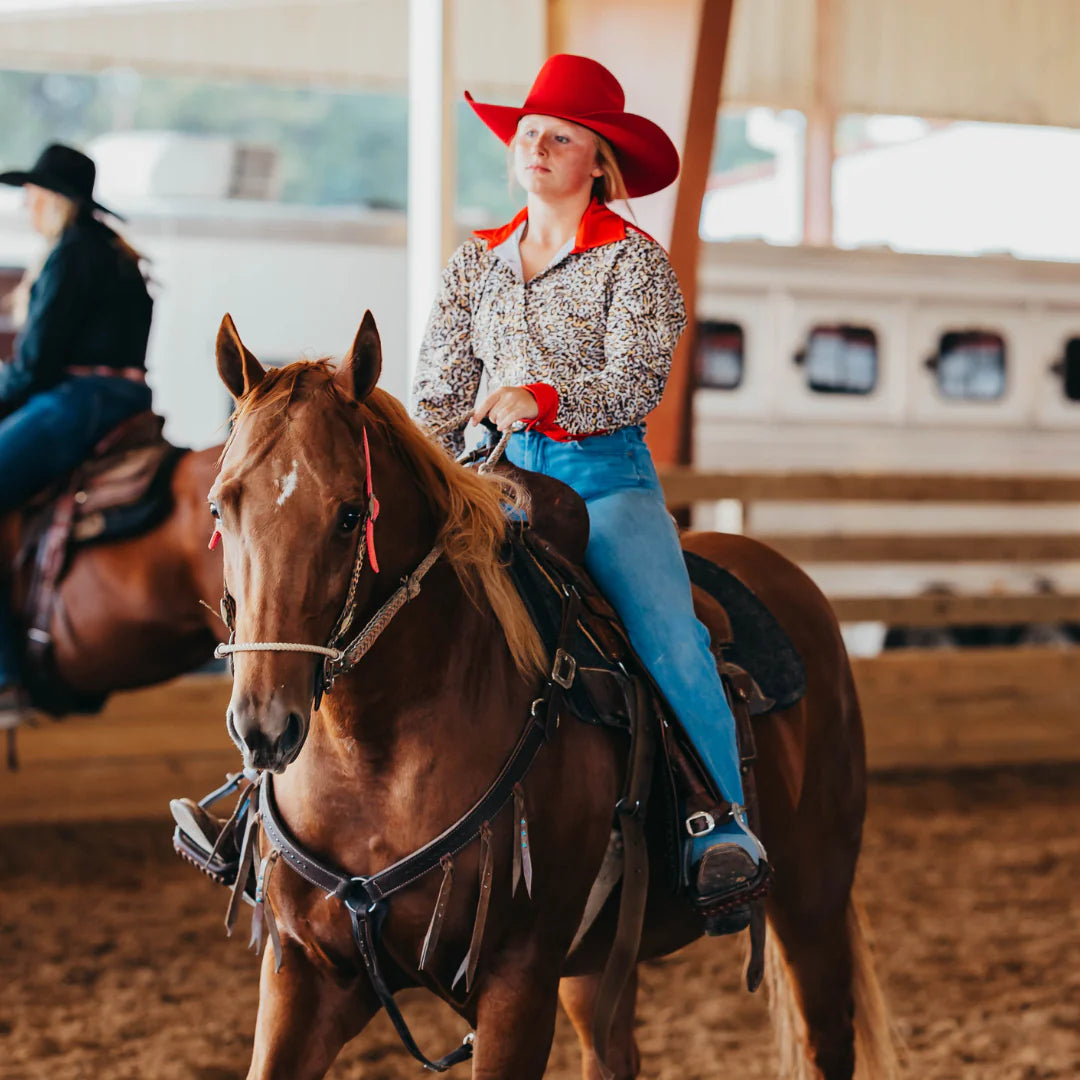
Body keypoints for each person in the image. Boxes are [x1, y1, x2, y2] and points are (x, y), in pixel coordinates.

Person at [411, 54, 767, 909]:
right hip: (489, 483)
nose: (536, 147)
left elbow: (636, 382)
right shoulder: (474, 262)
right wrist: (441, 458)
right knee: (385, 603)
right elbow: (436, 396)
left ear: (598, 162)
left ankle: (721, 826)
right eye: (528, 133)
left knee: (668, 635)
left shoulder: (635, 263)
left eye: (559, 138)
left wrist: (542, 397)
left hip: (603, 481)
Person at [0, 144, 154, 712]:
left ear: (54, 198)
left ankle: (3, 673)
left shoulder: (69, 254)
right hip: (126, 399)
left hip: (78, 401)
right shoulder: (117, 253)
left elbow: (35, 363)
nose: (26, 204)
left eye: (32, 193)